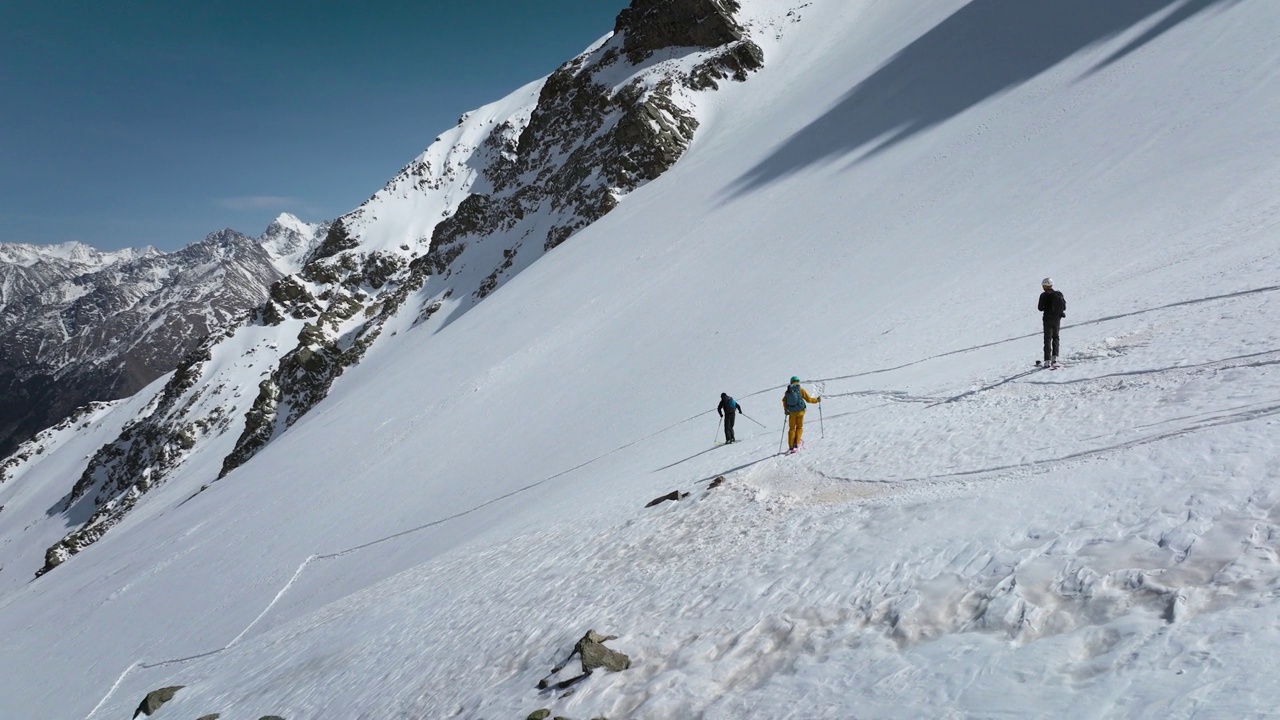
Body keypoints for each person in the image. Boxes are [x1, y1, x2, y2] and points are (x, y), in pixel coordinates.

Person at [781, 376, 819, 453]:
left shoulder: (788, 391)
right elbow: (809, 399)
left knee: (792, 429)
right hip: (800, 412)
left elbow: (784, 401)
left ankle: (791, 446)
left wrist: (786, 410)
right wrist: (817, 400)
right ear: (798, 381)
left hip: (792, 413)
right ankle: (797, 443)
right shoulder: (801, 390)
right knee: (799, 427)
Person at [1038, 277, 1066, 367]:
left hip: (1047, 319)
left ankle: (1047, 361)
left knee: (1047, 339)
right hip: (1057, 319)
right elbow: (1064, 307)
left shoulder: (1043, 295)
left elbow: (1040, 308)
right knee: (1056, 337)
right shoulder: (1059, 294)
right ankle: (1055, 358)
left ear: (1045, 286)